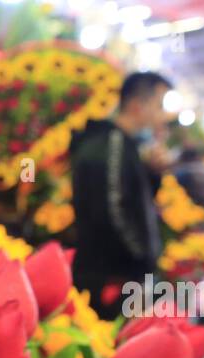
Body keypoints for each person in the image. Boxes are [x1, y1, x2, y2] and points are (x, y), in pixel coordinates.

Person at [70, 71, 173, 319]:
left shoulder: (123, 144)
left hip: (118, 273)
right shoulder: (111, 143)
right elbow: (113, 209)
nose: (163, 115)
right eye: (159, 105)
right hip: (112, 275)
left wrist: (153, 174)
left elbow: (129, 201)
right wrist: (141, 258)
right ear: (137, 105)